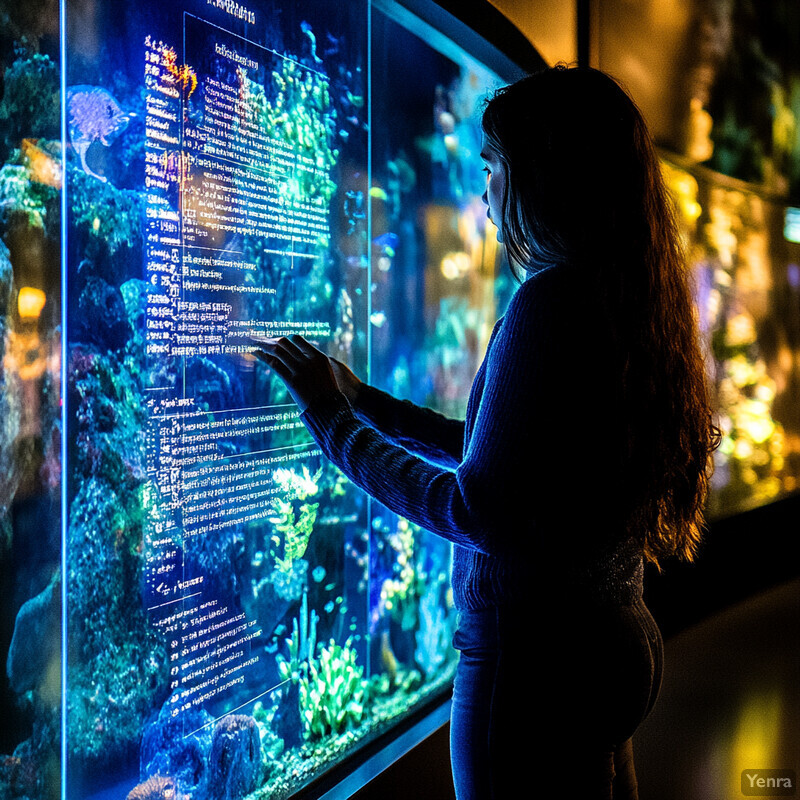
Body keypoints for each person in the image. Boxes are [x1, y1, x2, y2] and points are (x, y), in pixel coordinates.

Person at [253, 65, 721, 800]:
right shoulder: (621, 300)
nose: (484, 193)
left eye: (496, 168)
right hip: (607, 643)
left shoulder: (550, 304)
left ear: (544, 175)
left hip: (533, 671)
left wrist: (333, 424)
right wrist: (365, 400)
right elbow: (507, 453)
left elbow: (481, 508)